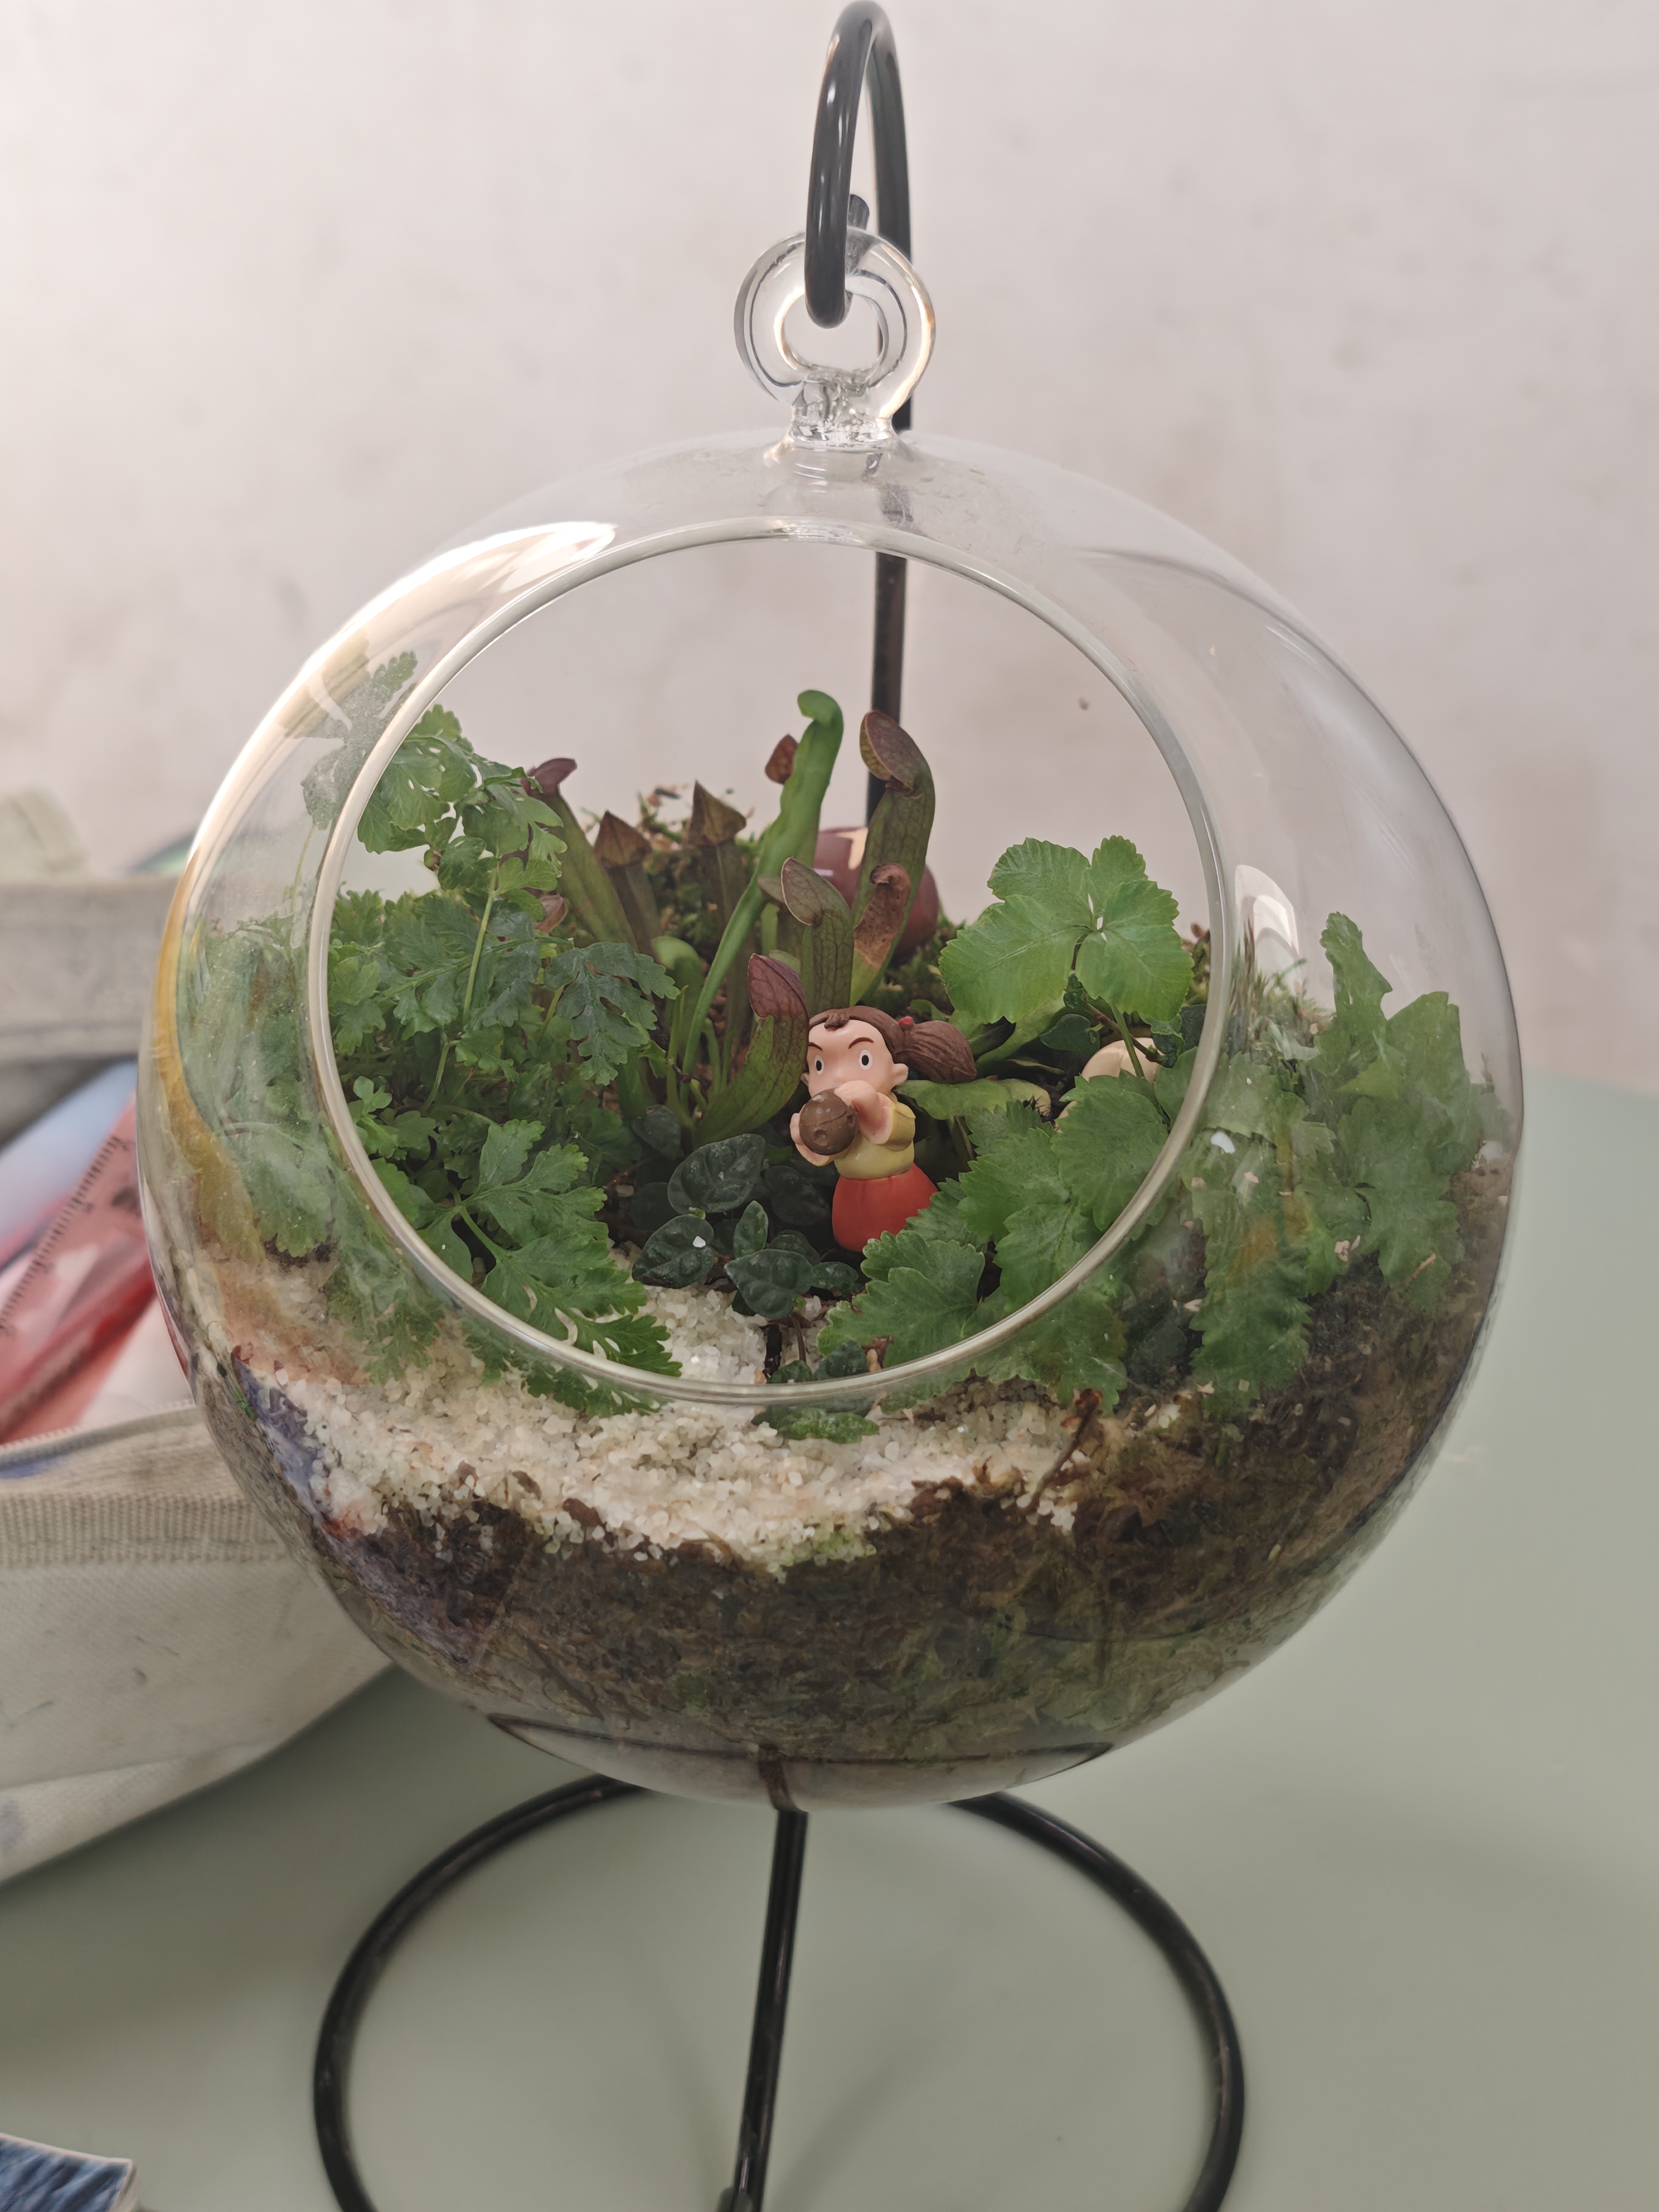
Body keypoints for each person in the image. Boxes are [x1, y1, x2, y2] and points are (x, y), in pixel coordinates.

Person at [791, 1005, 975, 1250]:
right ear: (807, 1080)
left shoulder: (893, 1109)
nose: (840, 1077)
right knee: (857, 1243)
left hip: (899, 1190)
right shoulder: (828, 1114)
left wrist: (874, 1111)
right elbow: (831, 1152)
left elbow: (902, 1135)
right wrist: (806, 1137)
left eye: (864, 1060)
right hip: (852, 1194)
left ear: (898, 1073)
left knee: (913, 1238)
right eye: (820, 1066)